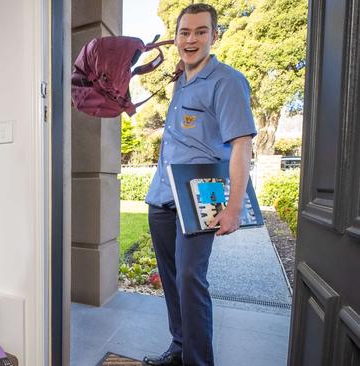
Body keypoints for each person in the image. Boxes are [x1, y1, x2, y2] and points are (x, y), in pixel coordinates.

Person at [143, 4, 256, 366]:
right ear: (175, 37)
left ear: (215, 36)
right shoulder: (181, 80)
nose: (191, 39)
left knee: (191, 281)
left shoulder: (227, 81)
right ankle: (179, 349)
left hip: (200, 194)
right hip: (162, 194)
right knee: (173, 281)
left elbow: (241, 144)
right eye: (184, 32)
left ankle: (197, 361)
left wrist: (234, 207)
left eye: (200, 32)